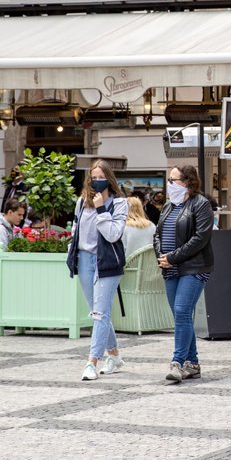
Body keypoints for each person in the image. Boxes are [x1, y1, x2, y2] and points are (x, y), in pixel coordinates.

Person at [68, 159, 128, 382]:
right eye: (94, 177)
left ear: (109, 179)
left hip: (107, 262)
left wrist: (102, 208)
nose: (97, 181)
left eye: (102, 177)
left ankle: (92, 362)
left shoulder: (119, 203)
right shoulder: (82, 202)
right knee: (97, 312)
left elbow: (113, 234)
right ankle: (114, 356)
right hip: (84, 259)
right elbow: (76, 230)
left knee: (100, 313)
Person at [155, 165, 214, 383]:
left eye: (173, 180)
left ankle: (177, 362)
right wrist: (161, 255)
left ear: (188, 181)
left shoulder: (201, 204)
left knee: (181, 311)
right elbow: (158, 234)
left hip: (194, 267)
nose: (169, 184)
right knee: (182, 315)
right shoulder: (168, 206)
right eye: (168, 180)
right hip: (170, 268)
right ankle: (193, 363)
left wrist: (173, 256)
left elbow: (200, 238)